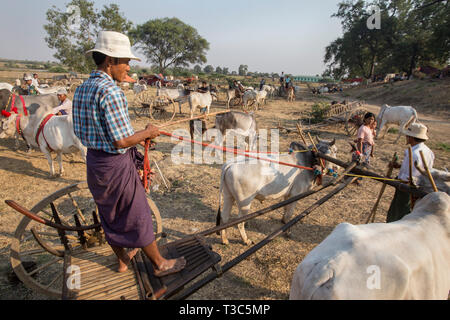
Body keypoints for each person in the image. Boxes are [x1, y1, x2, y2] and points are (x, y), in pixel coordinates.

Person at [73, 31, 186, 275]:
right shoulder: (111, 92)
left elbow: (101, 133)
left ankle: (123, 259)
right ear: (110, 61)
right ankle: (160, 264)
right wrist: (147, 133)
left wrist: (142, 133)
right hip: (115, 166)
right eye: (126, 61)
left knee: (109, 215)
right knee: (137, 213)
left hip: (94, 162)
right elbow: (122, 140)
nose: (129, 67)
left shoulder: (82, 89)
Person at [386, 122, 435, 223]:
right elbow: (417, 169)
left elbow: (408, 176)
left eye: (407, 136)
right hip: (421, 188)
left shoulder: (413, 153)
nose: (406, 137)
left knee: (399, 213)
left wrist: (396, 181)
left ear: (411, 137)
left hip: (407, 188)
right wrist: (399, 166)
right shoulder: (429, 152)